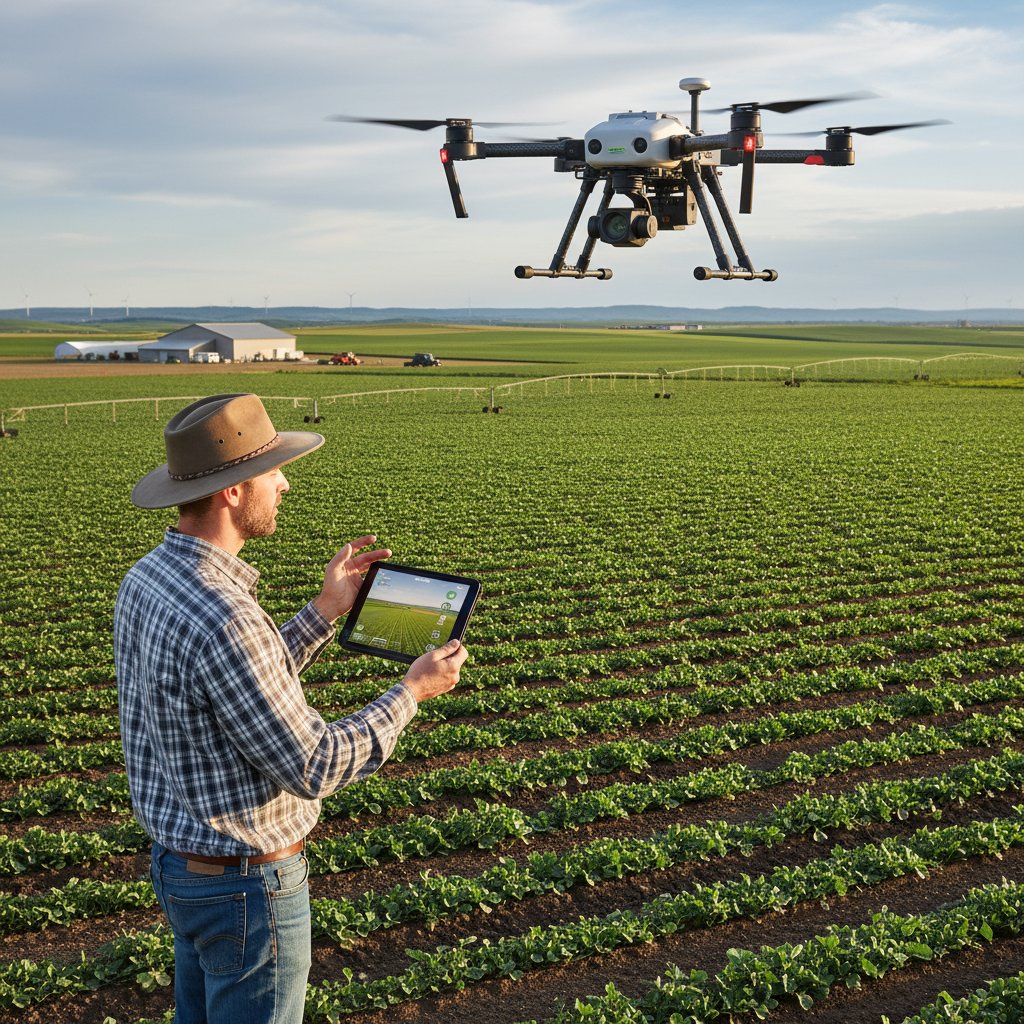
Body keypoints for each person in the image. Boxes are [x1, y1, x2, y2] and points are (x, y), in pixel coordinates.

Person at [113, 393, 467, 1024]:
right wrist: (410, 692)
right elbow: (313, 763)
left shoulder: (148, 579)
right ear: (231, 491)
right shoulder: (227, 617)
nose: (283, 484)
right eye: (273, 471)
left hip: (181, 869)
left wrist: (325, 611)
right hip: (245, 888)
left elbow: (236, 694)